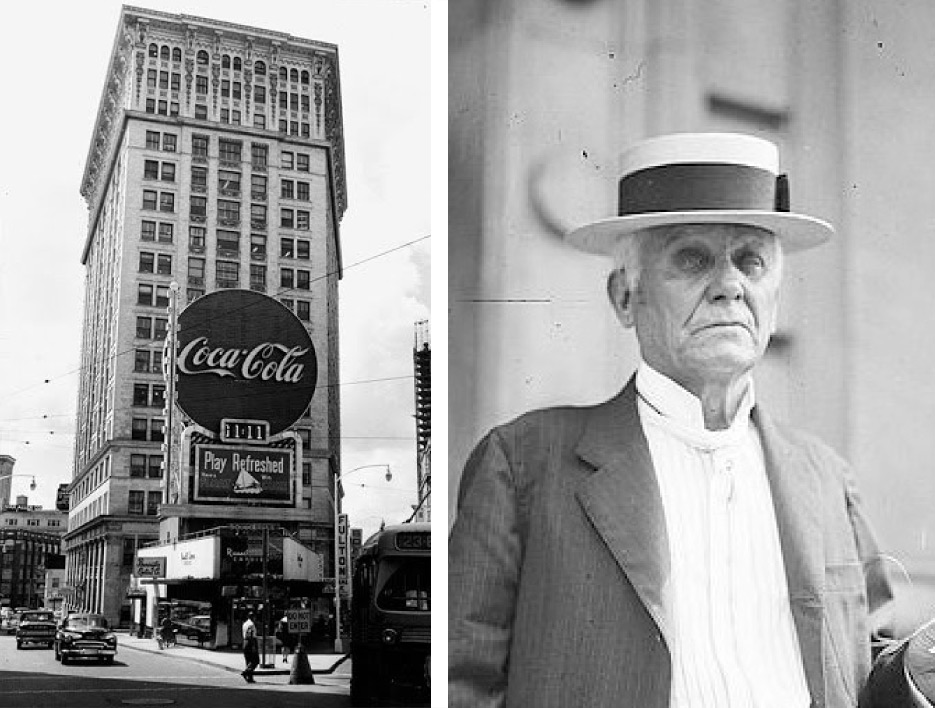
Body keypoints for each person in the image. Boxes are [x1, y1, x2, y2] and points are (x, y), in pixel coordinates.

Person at [448, 132, 931, 707]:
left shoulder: (827, 478)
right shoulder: (523, 462)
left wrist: (917, 670)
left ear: (775, 293)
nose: (730, 285)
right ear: (626, 296)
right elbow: (463, 682)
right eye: (692, 258)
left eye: (751, 261)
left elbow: (867, 665)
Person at [241, 611, 259, 684]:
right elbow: (250, 635)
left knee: (248, 660)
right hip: (251, 642)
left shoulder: (245, 624)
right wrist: (253, 646)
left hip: (245, 642)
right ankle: (246, 672)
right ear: (252, 617)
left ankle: (250, 677)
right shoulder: (251, 624)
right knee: (255, 660)